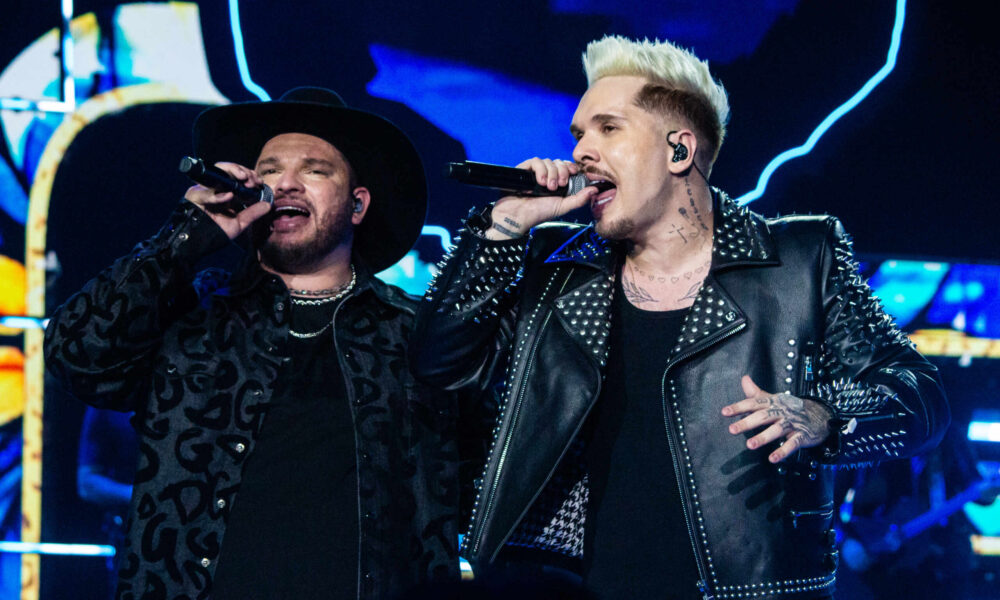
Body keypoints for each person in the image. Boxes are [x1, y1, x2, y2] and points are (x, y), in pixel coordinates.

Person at [410, 36, 949, 599]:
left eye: (608, 128)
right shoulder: (556, 267)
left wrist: (826, 418)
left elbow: (922, 397)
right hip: (569, 589)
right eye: (578, 135)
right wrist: (502, 230)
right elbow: (439, 365)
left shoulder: (799, 260)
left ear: (678, 151)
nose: (581, 152)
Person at [44, 87, 472, 600]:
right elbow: (74, 353)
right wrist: (186, 237)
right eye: (269, 171)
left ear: (357, 205)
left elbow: (499, 458)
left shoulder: (413, 333)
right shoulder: (190, 314)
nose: (286, 183)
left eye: (314, 170)